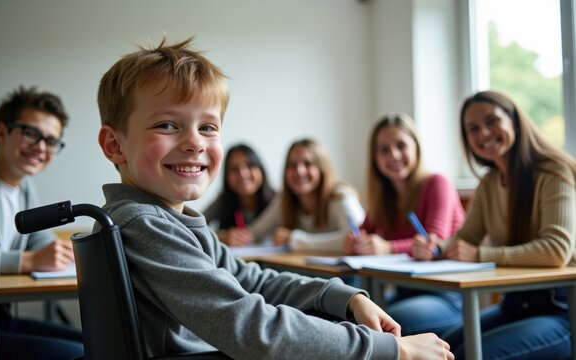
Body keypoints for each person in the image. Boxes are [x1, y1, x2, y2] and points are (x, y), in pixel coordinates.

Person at [95, 37, 453, 359]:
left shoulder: (169, 218)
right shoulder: (144, 222)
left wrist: (345, 297)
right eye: (167, 125)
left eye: (208, 127)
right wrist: (392, 351)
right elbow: (251, 328)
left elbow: (253, 281)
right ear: (115, 145)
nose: (195, 142)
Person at [413, 90, 576, 359]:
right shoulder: (489, 183)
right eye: (473, 128)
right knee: (439, 351)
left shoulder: (554, 170)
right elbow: (467, 237)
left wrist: (481, 255)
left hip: (560, 310)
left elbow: (556, 250)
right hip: (513, 305)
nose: (484, 133)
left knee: (471, 355)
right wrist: (437, 248)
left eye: (492, 121)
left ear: (515, 121)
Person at [0, 86, 83, 359]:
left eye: (51, 141)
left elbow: (37, 239)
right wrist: (29, 261)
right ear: (1, 132)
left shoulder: (24, 187)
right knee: (82, 353)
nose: (41, 147)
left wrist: (62, 253)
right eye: (31, 133)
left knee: (98, 342)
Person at [343, 113, 465, 336]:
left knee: (373, 327)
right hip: (405, 293)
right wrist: (356, 243)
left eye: (401, 145)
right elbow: (364, 231)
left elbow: (433, 243)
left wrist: (388, 248)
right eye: (384, 150)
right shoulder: (384, 197)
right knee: (348, 317)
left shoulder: (438, 183)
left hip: (447, 296)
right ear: (374, 157)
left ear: (416, 148)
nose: (394, 155)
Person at [250, 138, 366, 251]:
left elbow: (356, 239)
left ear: (322, 168)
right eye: (292, 165)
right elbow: (254, 233)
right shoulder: (284, 200)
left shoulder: (340, 196)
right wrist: (236, 236)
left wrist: (295, 240)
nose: (299, 171)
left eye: (307, 163)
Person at [203, 143, 275, 246]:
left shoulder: (279, 201)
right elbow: (193, 227)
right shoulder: (223, 201)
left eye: (250, 166)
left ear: (261, 170)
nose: (243, 174)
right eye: (234, 169)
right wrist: (221, 237)